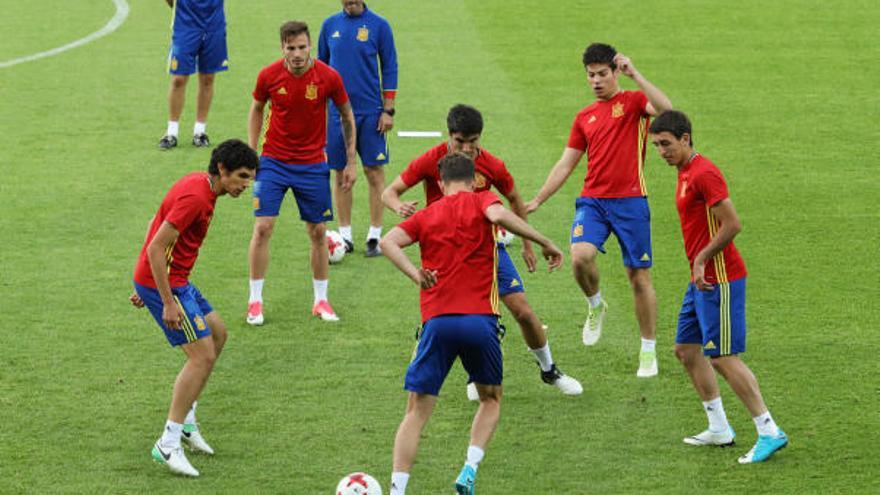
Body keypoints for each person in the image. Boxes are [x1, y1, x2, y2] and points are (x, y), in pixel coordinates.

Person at [381, 152, 564, 495]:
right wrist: (544, 242)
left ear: (440, 181)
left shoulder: (426, 214)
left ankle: (396, 490)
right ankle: (469, 469)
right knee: (490, 400)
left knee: (416, 413)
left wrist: (415, 274)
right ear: (473, 178)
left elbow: (388, 242)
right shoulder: (484, 200)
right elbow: (498, 214)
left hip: (437, 323)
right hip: (480, 323)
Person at [382, 104, 582, 398]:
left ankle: (549, 369)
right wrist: (398, 206)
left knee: (523, 311)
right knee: (456, 317)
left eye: (472, 141)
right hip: (445, 253)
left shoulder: (492, 165)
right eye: (459, 141)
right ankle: (471, 371)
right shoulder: (431, 160)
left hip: (486, 251)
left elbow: (513, 199)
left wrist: (527, 245)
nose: (465, 148)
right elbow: (389, 192)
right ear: (449, 136)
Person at [648, 110, 788, 464]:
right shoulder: (684, 172)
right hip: (700, 280)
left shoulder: (704, 173)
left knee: (723, 356)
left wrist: (701, 258)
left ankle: (769, 430)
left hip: (719, 278)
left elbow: (733, 224)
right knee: (685, 349)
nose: (661, 151)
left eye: (666, 144)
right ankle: (719, 427)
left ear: (685, 138)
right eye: (656, 146)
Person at [526, 43, 672, 377]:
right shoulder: (584, 117)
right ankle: (596, 304)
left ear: (615, 72)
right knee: (579, 256)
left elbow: (666, 111)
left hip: (632, 202)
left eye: (602, 74)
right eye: (590, 75)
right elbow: (566, 164)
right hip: (593, 201)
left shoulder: (634, 102)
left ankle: (648, 349)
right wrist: (539, 199)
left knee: (638, 278)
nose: (595, 81)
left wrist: (636, 75)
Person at [130, 139, 259, 476]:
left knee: (218, 334)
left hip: (176, 281)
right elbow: (158, 247)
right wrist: (164, 300)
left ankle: (186, 421)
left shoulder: (200, 186)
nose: (246, 185)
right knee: (201, 356)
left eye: (250, 179)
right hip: (170, 285)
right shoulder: (196, 197)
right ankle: (168, 442)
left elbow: (153, 223)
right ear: (222, 170)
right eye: (242, 177)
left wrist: (144, 283)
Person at [246, 21, 358, 325]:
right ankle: (254, 302)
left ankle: (321, 301)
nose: (297, 54)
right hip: (272, 162)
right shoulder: (269, 75)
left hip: (311, 164)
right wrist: (250, 151)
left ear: (310, 46)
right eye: (291, 48)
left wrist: (350, 162)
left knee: (318, 232)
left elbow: (347, 114)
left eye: (302, 47)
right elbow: (257, 108)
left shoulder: (328, 77)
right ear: (282, 48)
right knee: (263, 227)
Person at [319, 0, 398, 257]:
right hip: (336, 114)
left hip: (370, 112)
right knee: (340, 174)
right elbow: (320, 69)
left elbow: (390, 66)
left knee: (374, 171)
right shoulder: (329, 25)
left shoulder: (380, 26)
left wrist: (388, 110)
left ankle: (375, 235)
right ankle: (345, 236)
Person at [158, 0, 228, 150]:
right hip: (185, 25)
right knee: (178, 79)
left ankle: (200, 131)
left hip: (214, 25)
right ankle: (171, 132)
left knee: (208, 78)